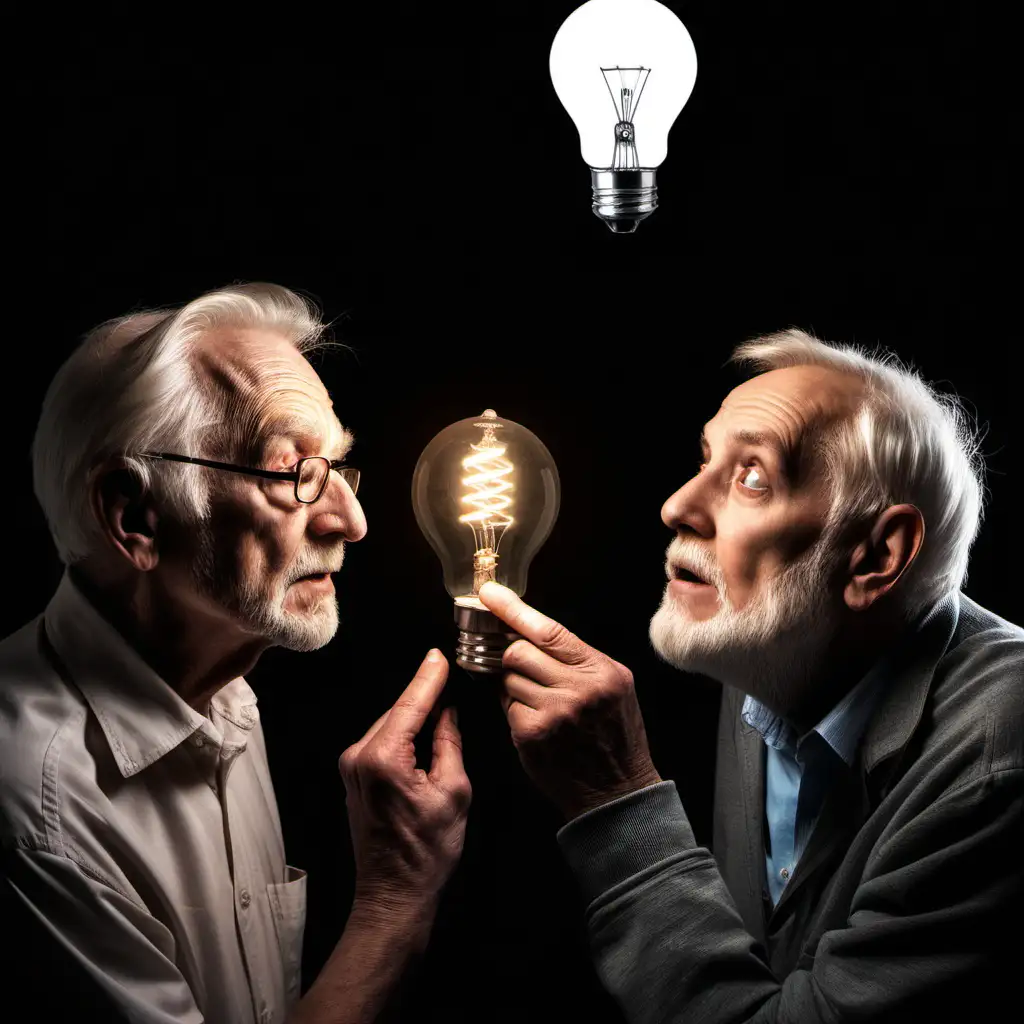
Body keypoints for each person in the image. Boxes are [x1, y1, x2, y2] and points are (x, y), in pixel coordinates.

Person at [478, 328, 1022, 1022]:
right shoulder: (780, 649)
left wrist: (620, 802)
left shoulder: (997, 760)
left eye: (754, 476)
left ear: (875, 555)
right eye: (707, 461)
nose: (677, 505)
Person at [0, 283, 471, 1024]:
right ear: (135, 517)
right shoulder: (40, 818)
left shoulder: (217, 687)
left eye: (339, 468)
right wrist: (396, 899)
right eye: (293, 474)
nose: (352, 522)